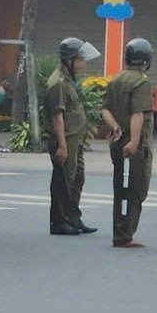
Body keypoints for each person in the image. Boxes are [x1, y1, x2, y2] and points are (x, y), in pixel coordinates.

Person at [44, 37, 101, 236]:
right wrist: (62, 145)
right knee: (63, 181)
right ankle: (59, 222)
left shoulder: (69, 80)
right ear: (69, 60)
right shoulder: (57, 82)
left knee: (77, 179)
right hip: (65, 140)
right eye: (80, 60)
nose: (83, 64)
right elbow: (57, 116)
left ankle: (73, 218)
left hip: (75, 140)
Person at [101, 38, 155, 248]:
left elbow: (105, 108)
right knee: (136, 190)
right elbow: (138, 114)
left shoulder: (117, 80)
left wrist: (114, 125)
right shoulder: (141, 81)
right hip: (134, 147)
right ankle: (125, 234)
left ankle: (120, 232)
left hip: (117, 142)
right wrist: (134, 141)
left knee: (121, 189)